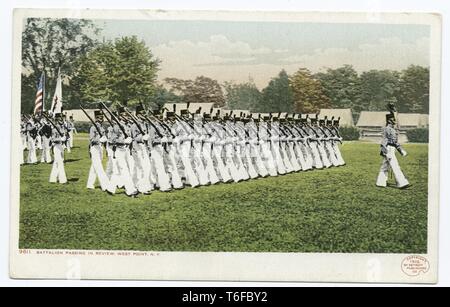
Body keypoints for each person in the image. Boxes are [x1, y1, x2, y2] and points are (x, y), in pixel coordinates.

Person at [376, 113, 410, 189]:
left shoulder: (393, 129)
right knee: (395, 165)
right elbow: (384, 140)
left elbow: (395, 142)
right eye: (393, 119)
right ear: (389, 120)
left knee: (384, 166)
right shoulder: (387, 129)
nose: (394, 120)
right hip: (388, 149)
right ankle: (402, 183)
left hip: (392, 148)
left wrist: (400, 150)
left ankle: (380, 182)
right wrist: (384, 150)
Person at [86, 110, 115, 194]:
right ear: (96, 118)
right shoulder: (93, 127)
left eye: (102, 117)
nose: (101, 119)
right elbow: (91, 140)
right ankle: (105, 185)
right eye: (99, 117)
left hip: (100, 148)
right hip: (94, 148)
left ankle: (90, 184)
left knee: (94, 167)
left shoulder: (102, 127)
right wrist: (99, 140)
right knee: (99, 167)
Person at [49, 113, 68, 184]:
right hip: (56, 147)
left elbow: (66, 136)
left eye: (62, 119)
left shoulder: (63, 128)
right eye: (60, 119)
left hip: (61, 146)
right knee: (60, 162)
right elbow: (53, 139)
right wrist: (60, 139)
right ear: (57, 120)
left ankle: (52, 178)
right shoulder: (54, 129)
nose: (62, 120)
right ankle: (63, 180)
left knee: (57, 162)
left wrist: (65, 139)